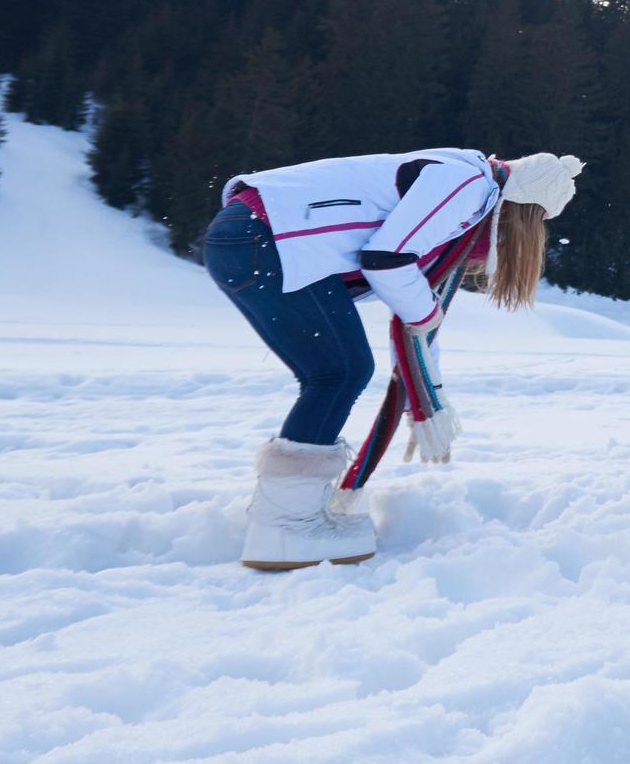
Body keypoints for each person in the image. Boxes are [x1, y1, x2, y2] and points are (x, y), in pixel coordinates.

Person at [203, 147, 584, 569]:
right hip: (264, 237)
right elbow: (387, 262)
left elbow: (410, 316)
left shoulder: (460, 177)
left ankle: (285, 516)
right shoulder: (471, 186)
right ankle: (285, 525)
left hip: (247, 236)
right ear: (520, 213)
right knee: (339, 373)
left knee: (333, 373)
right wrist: (427, 313)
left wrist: (430, 389)